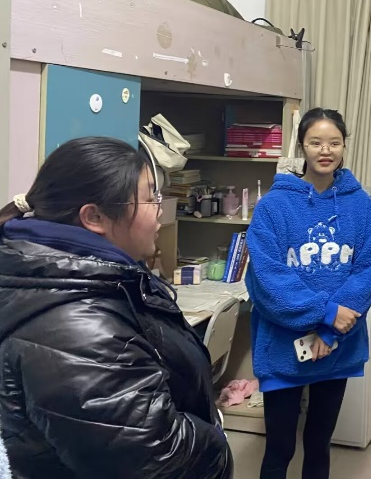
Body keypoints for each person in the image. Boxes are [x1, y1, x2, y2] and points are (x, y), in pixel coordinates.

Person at [0, 137, 232, 479]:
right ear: (95, 216)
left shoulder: (102, 279)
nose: (160, 207)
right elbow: (156, 457)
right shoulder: (76, 328)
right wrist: (216, 445)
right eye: (150, 197)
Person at [246, 107, 371, 479]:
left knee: (320, 442)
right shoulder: (274, 206)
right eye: (316, 142)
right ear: (302, 147)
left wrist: (329, 330)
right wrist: (325, 313)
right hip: (282, 345)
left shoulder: (360, 205)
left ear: (344, 146)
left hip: (337, 344)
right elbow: (267, 278)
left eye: (334, 143)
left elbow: (367, 271)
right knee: (279, 447)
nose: (326, 151)